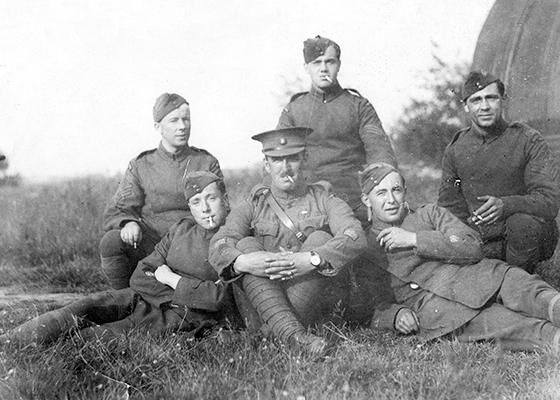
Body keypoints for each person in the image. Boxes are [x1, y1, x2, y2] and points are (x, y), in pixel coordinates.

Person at [357, 163, 560, 351]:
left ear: (405, 192)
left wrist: (414, 239)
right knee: (525, 329)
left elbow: (471, 245)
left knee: (539, 296)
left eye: (396, 190)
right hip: (445, 310)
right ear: (366, 199)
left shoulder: (428, 215)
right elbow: (370, 307)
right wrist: (396, 315)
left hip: (484, 275)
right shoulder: (365, 248)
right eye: (380, 193)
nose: (390, 200)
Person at [1, 171, 237, 346]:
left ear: (225, 200)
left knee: (92, 338)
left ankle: (38, 350)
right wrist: (186, 290)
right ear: (190, 207)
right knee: (82, 307)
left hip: (176, 315)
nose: (205, 208)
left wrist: (170, 279)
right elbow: (141, 275)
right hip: (141, 297)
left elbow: (218, 299)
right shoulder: (182, 228)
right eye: (196, 202)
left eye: (211, 198)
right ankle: (9, 342)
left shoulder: (235, 238)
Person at [209, 127, 366, 355]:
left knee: (320, 238)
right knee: (244, 247)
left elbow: (355, 235)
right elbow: (220, 241)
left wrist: (312, 259)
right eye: (276, 160)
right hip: (259, 300)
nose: (285, 168)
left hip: (310, 303)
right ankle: (296, 336)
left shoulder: (325, 200)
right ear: (266, 165)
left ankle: (268, 334)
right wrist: (241, 262)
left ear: (305, 159)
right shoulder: (254, 204)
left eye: (292, 158)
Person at [438, 71, 560, 273]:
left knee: (522, 224)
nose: (484, 106)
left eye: (491, 98)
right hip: (481, 238)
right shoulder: (456, 148)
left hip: (525, 234)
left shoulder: (528, 140)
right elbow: (449, 206)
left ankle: (520, 283)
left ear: (503, 100)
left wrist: (507, 205)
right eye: (476, 100)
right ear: (466, 106)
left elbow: (549, 200)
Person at [100, 93, 223, 289]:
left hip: (193, 243)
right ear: (158, 127)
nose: (182, 126)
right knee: (112, 242)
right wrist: (129, 223)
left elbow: (221, 207)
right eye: (174, 120)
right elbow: (120, 207)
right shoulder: (141, 165)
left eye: (186, 120)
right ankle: (124, 297)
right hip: (152, 243)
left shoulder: (206, 162)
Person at [277, 35, 398, 223]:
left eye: (330, 62)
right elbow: (277, 158)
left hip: (354, 200)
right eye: (316, 62)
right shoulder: (293, 110)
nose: (324, 68)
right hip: (307, 200)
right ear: (306, 68)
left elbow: (380, 152)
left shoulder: (358, 106)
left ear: (339, 65)